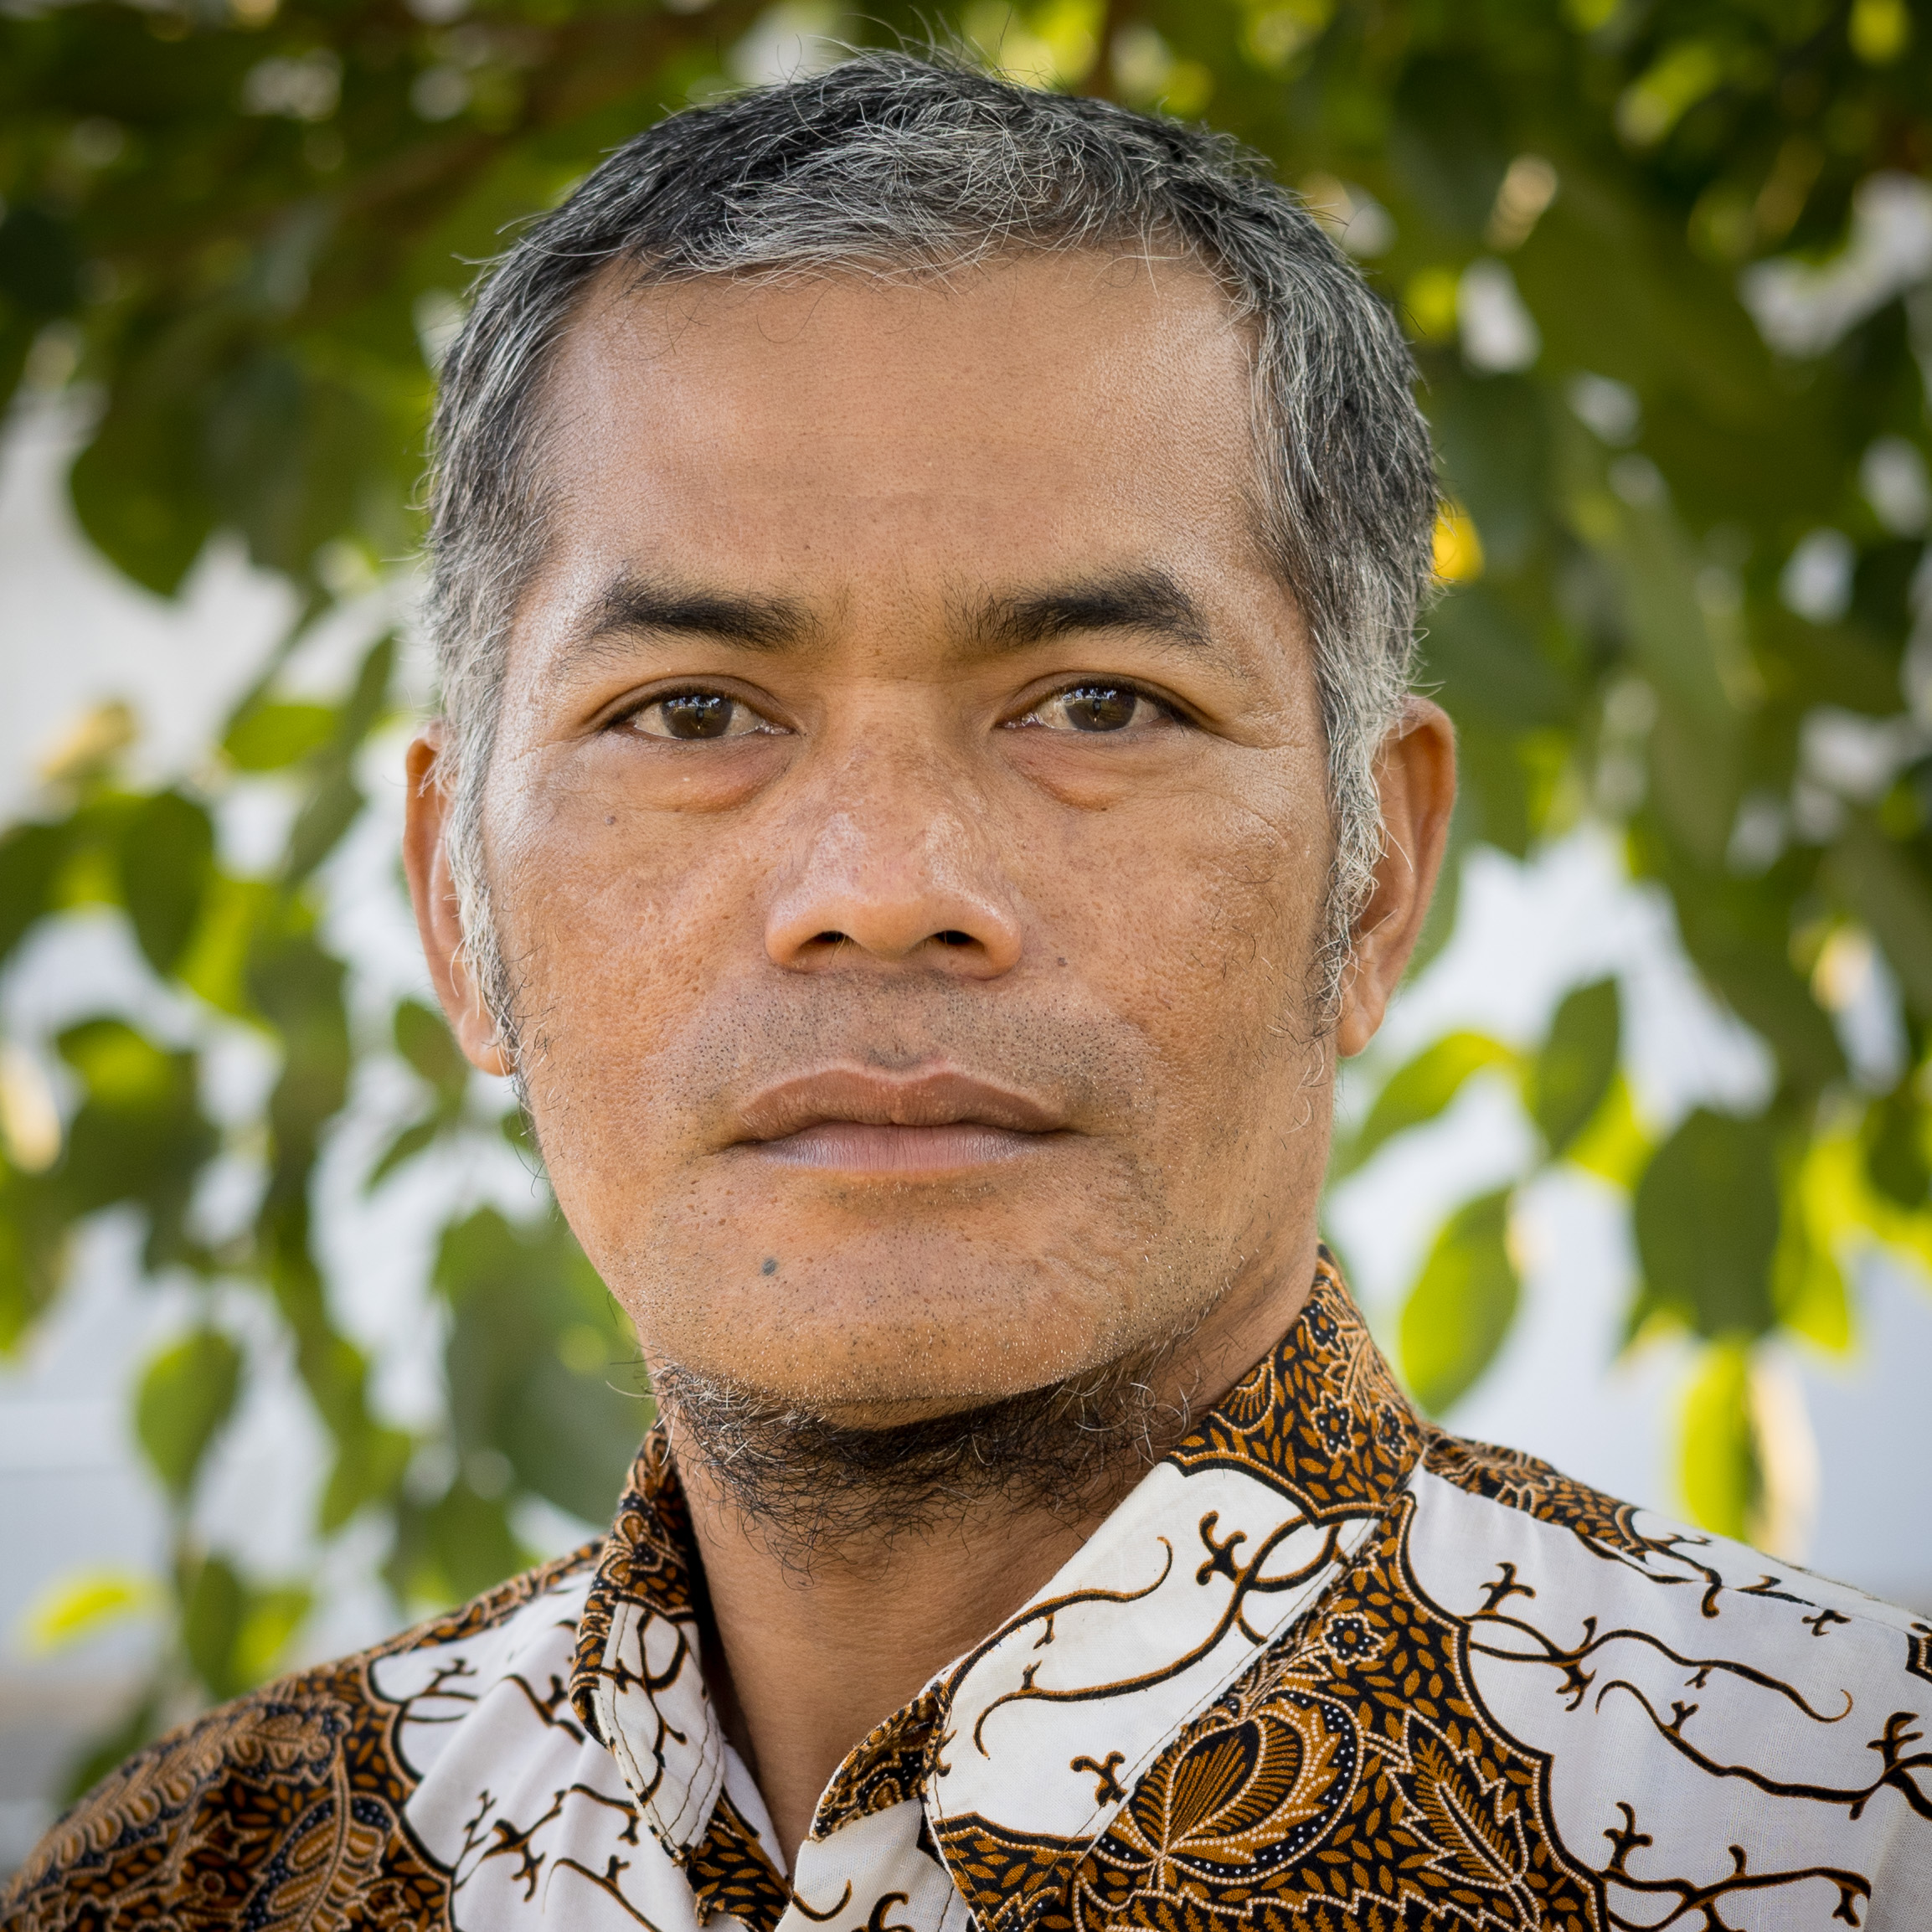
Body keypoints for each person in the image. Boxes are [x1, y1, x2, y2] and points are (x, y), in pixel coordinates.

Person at [7, 51, 1929, 1932]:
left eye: (1096, 702)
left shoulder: (1845, 1833)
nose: (882, 888)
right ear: (455, 901)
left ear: (1373, 875)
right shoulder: (196, 1883)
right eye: (693, 712)